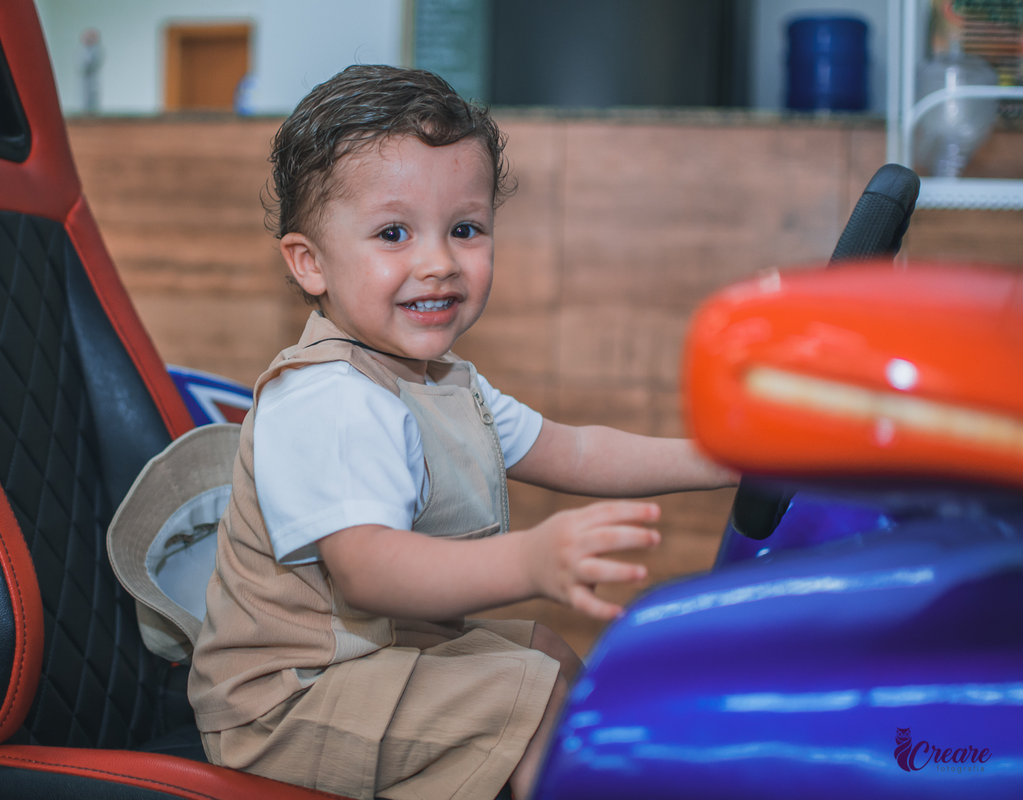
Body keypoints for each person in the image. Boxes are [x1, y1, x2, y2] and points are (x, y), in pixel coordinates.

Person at [188, 65, 736, 800]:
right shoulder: (328, 400)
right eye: (394, 233)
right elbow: (368, 569)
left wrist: (729, 458)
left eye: (465, 229)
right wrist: (531, 561)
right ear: (310, 263)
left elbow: (575, 450)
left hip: (373, 660)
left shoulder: (446, 382)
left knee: (545, 653)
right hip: (286, 704)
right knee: (523, 694)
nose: (439, 262)